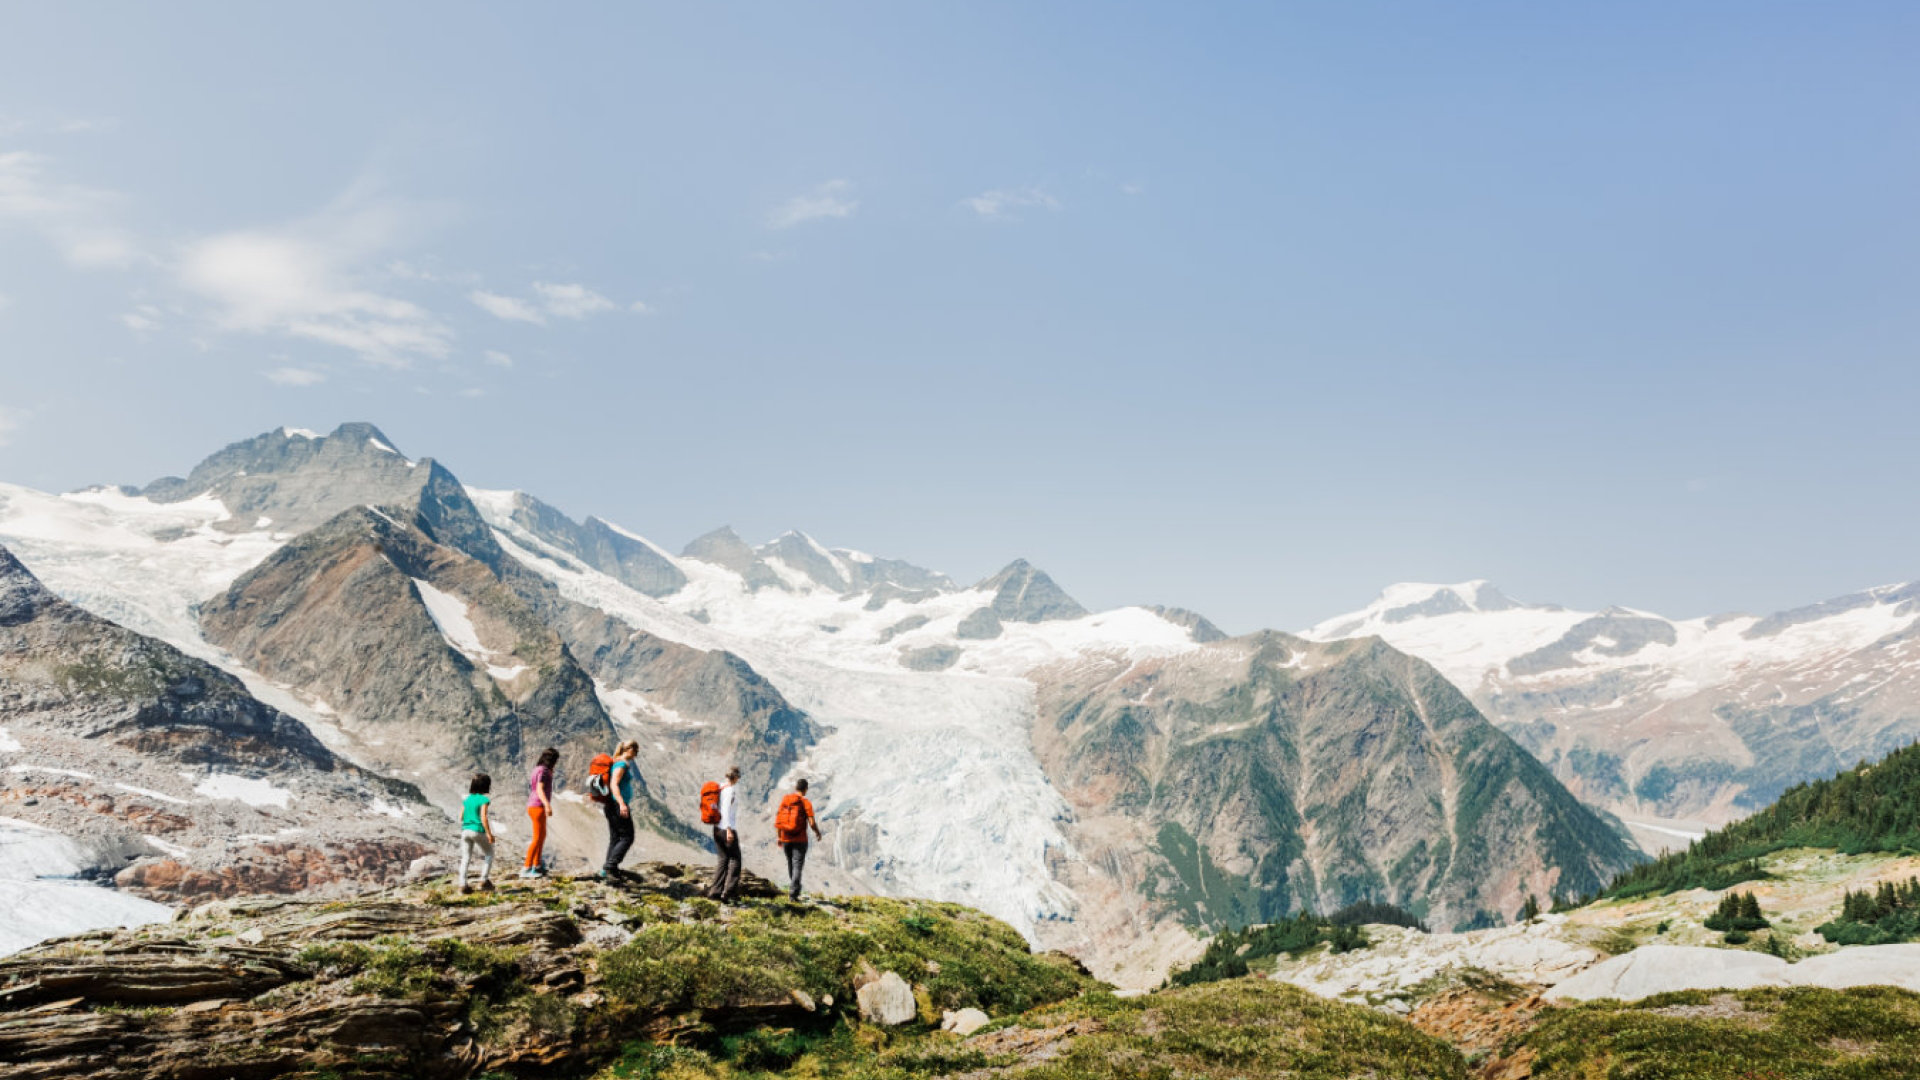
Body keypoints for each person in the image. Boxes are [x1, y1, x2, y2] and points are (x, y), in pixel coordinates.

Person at [775, 778, 823, 901]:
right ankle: (793, 894)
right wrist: (817, 832)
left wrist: (779, 836)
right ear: (806, 789)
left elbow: (779, 819)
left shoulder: (786, 800)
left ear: (796, 788)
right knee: (797, 866)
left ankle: (793, 890)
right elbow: (811, 822)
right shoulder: (806, 802)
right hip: (800, 840)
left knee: (791, 864)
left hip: (786, 838)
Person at [601, 741, 641, 880]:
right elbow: (614, 784)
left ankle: (608, 870)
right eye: (636, 750)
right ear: (629, 749)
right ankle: (610, 866)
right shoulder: (622, 764)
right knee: (627, 837)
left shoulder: (616, 762)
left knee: (615, 838)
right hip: (618, 804)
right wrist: (622, 803)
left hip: (611, 805)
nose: (637, 754)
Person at [704, 765, 743, 902]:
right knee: (736, 859)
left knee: (723, 859)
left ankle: (715, 891)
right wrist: (728, 830)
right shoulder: (731, 790)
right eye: (739, 776)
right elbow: (726, 809)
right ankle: (729, 892)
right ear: (736, 777)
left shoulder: (720, 788)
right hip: (726, 828)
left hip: (716, 828)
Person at [522, 747, 558, 878]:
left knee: (542, 836)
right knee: (537, 838)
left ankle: (536, 866)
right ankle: (526, 867)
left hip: (533, 805)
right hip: (538, 805)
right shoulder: (543, 771)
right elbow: (540, 789)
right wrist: (547, 805)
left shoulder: (538, 769)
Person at [459, 772, 496, 894]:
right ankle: (484, 881)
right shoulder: (484, 799)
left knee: (466, 857)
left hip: (465, 830)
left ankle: (463, 884)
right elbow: (484, 817)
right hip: (477, 830)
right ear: (486, 786)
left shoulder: (467, 799)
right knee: (489, 853)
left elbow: (461, 816)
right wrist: (489, 834)